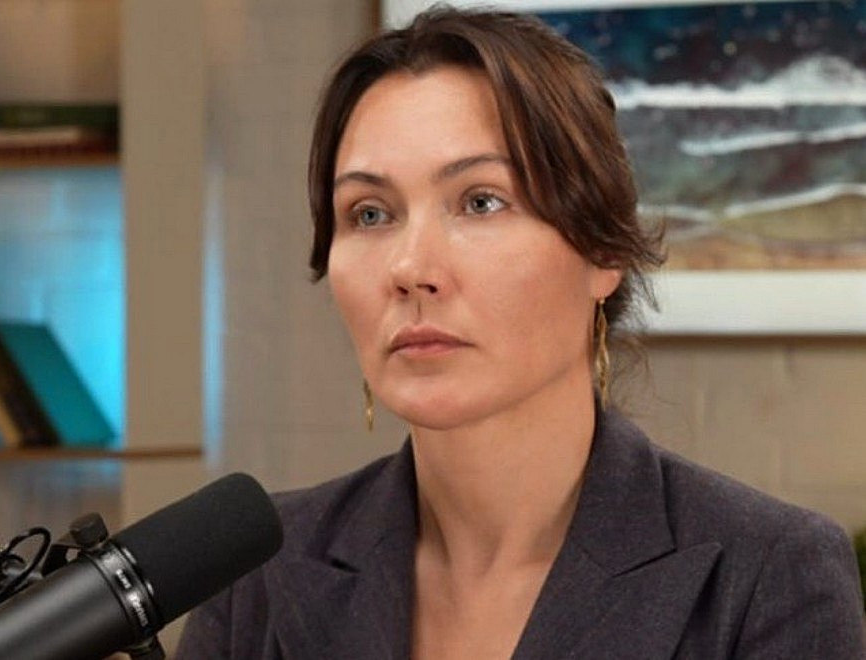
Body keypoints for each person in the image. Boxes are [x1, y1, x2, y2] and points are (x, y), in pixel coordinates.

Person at [177, 8, 865, 659]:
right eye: (370, 214)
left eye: (481, 202)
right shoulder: (255, 576)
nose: (411, 269)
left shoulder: (767, 575)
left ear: (603, 251)